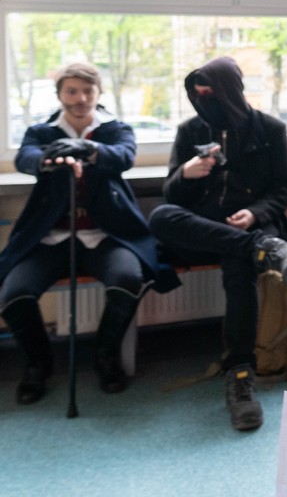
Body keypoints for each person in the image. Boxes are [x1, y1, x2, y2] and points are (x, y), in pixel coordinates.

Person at [149, 57, 287, 431]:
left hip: (248, 225)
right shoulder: (189, 130)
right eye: (197, 94)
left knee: (239, 267)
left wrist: (254, 213)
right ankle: (262, 248)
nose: (203, 100)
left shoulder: (270, 129)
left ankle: (241, 375)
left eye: (210, 93)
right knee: (160, 217)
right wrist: (186, 173)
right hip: (205, 228)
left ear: (230, 92)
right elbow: (171, 195)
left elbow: (283, 188)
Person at [0, 63, 178, 404]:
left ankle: (105, 356)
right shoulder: (41, 131)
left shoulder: (115, 129)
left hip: (106, 235)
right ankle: (39, 364)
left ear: (98, 94)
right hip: (50, 238)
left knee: (129, 280)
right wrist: (52, 157)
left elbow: (124, 155)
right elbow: (25, 157)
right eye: (72, 91)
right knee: (14, 294)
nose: (80, 98)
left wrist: (88, 150)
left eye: (87, 91)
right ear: (60, 95)